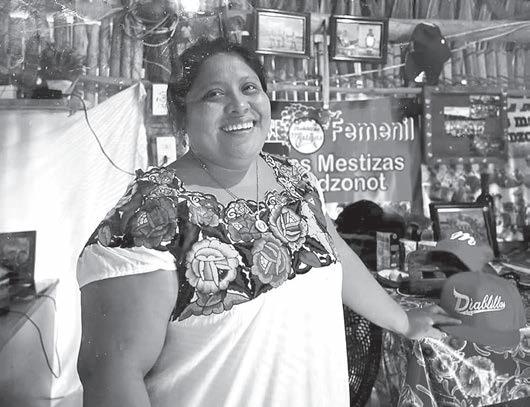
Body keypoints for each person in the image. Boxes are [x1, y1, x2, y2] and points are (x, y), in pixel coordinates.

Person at [76, 37, 461, 407]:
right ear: (181, 115)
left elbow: (336, 255)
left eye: (249, 88)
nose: (239, 105)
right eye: (214, 94)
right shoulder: (148, 218)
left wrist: (403, 322)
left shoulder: (296, 181)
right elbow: (111, 374)